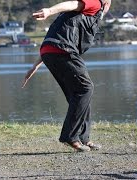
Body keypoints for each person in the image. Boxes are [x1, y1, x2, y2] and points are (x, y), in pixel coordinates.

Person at [22, 0, 111, 152]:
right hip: (62, 50)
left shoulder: (88, 14)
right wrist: (49, 11)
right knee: (85, 89)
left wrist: (35, 65)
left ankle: (83, 138)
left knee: (79, 94)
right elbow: (72, 3)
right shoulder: (96, 3)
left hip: (50, 52)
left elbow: (54, 38)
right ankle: (70, 136)